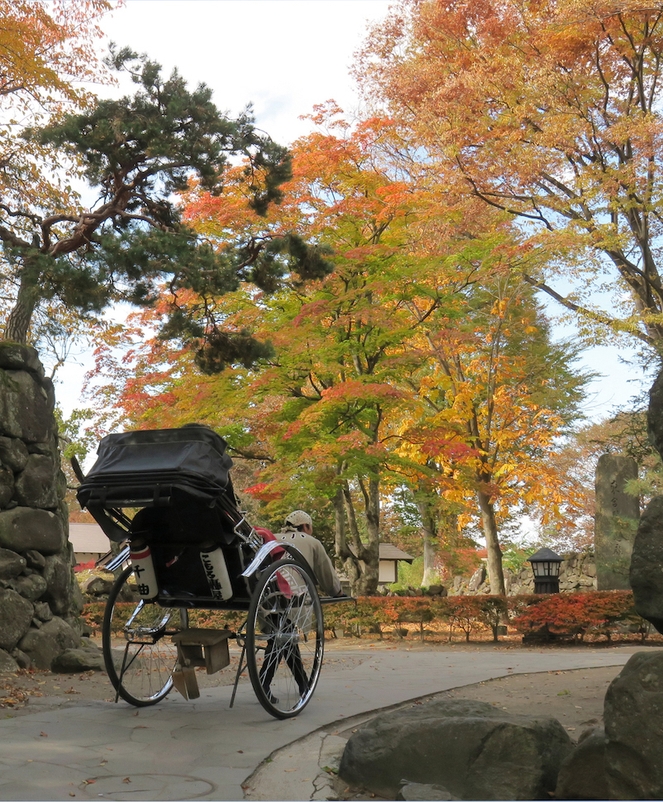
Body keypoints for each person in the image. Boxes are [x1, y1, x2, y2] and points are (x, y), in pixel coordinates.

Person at [274, 509, 343, 597]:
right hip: (300, 597)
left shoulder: (272, 538)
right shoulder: (312, 542)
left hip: (269, 594)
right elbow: (327, 576)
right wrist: (337, 592)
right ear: (305, 526)